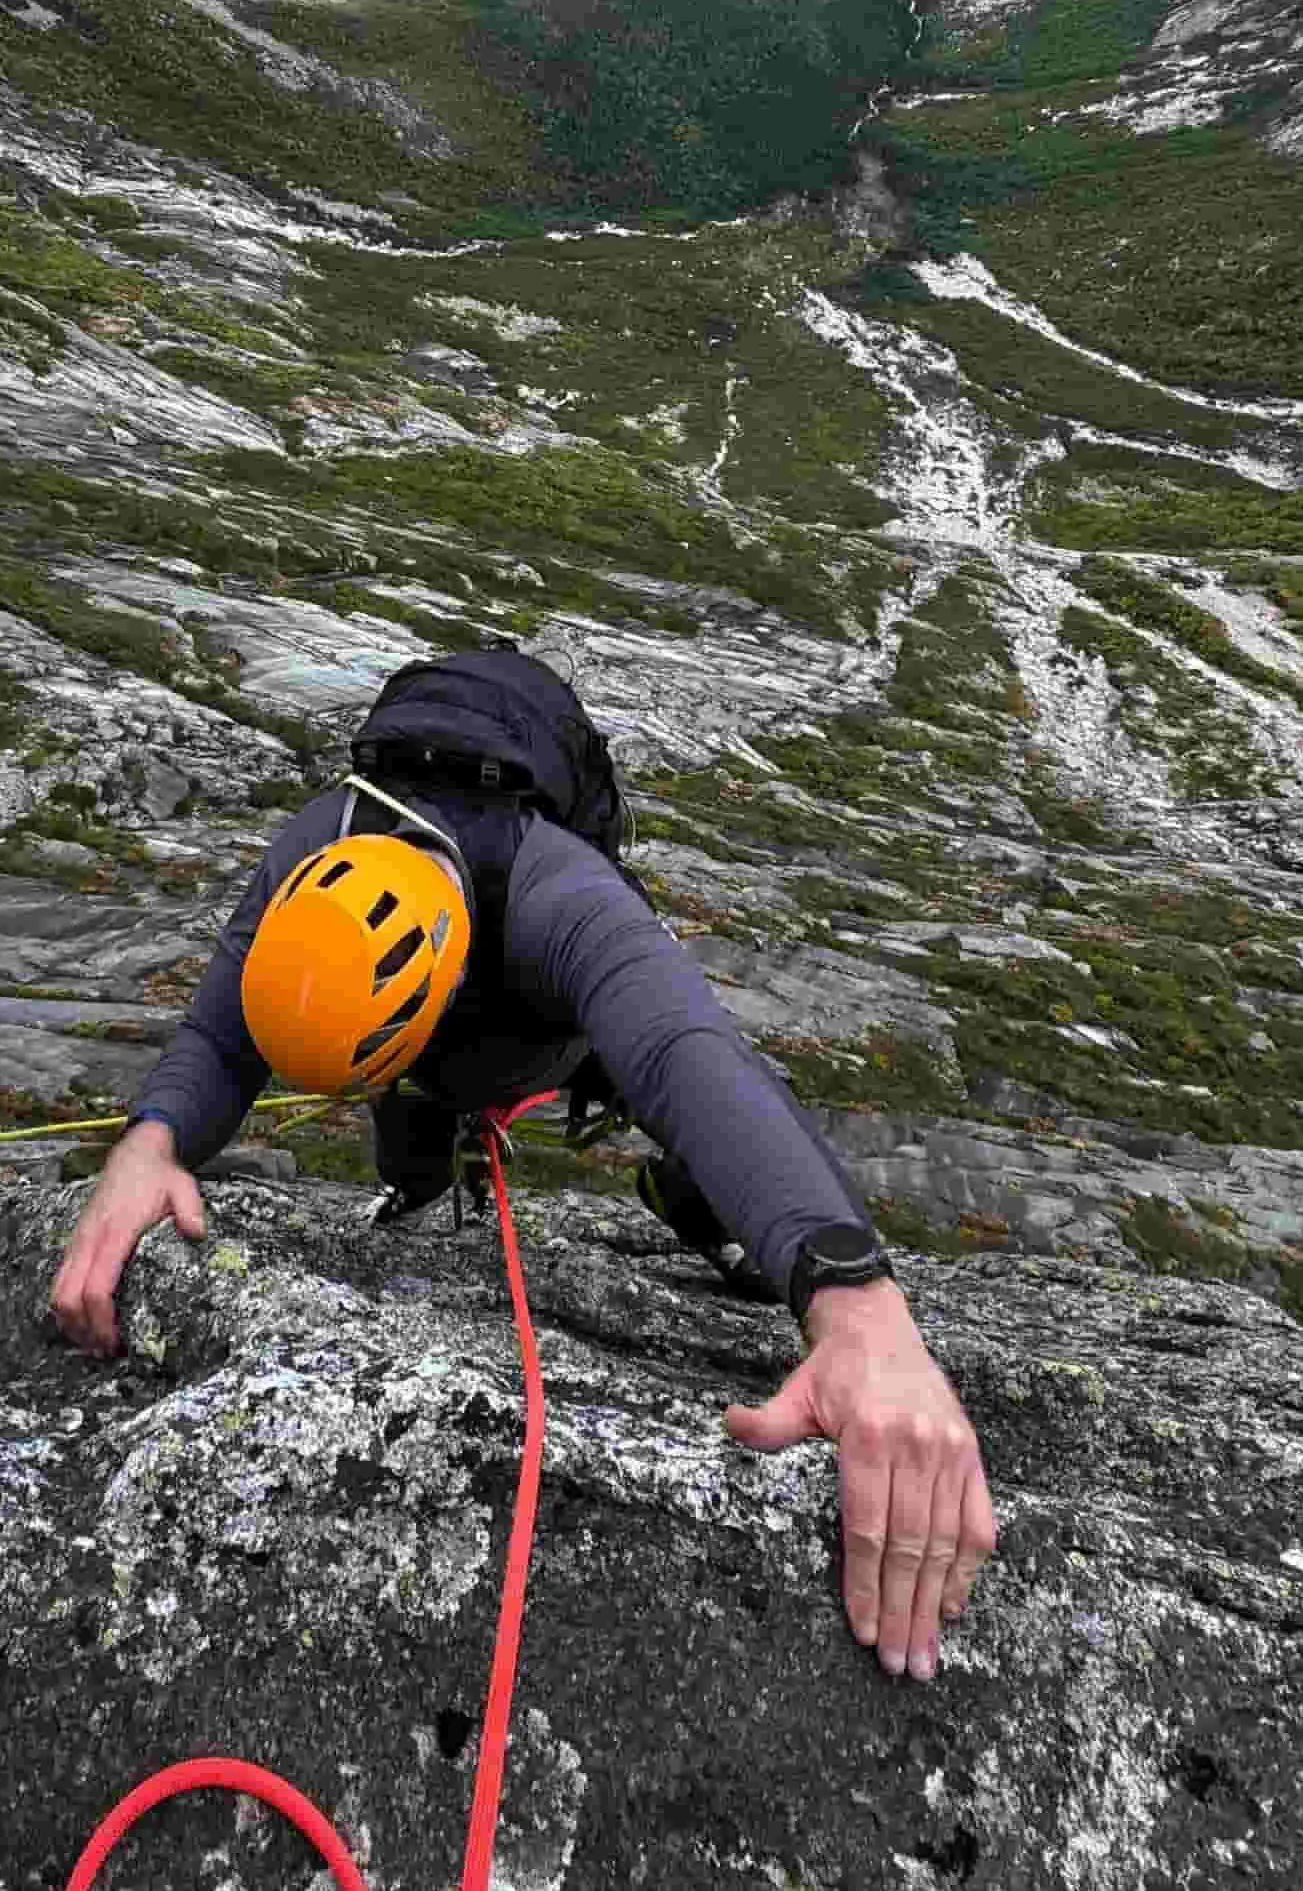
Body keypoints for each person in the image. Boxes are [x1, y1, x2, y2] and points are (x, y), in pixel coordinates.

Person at [50, 649, 997, 1684]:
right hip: (425, 1061)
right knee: (416, 1143)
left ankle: (691, 1196)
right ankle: (420, 1173)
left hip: (558, 1028)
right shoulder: (310, 857)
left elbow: (688, 1056)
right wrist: (149, 1144)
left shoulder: (563, 894)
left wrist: (856, 1306)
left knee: (670, 1102)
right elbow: (220, 1040)